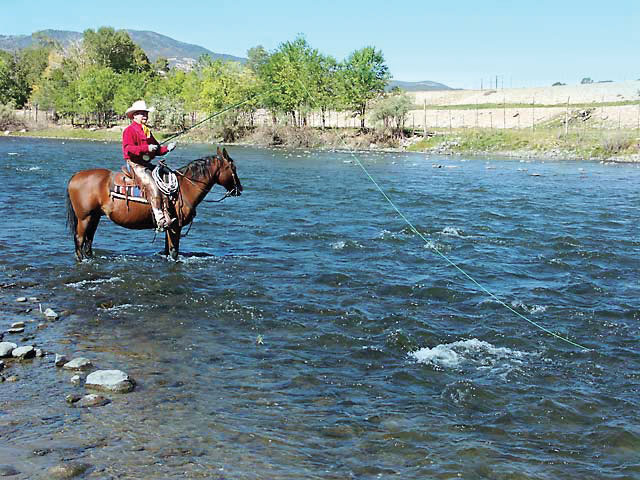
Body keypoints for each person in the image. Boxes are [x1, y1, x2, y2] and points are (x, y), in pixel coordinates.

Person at [122, 100, 177, 230]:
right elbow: (128, 148)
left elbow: (156, 149)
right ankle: (160, 219)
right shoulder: (129, 131)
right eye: (142, 114)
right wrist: (146, 147)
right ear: (134, 116)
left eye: (146, 113)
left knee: (167, 177)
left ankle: (168, 210)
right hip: (135, 164)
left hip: (146, 163)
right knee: (152, 186)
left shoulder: (146, 131)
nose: (145, 116)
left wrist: (167, 148)